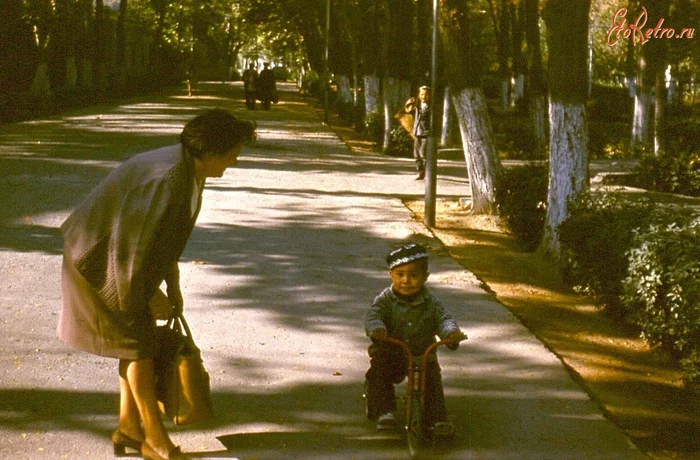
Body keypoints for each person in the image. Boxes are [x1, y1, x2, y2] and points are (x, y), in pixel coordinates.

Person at [58, 109, 256, 460]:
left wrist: (172, 284)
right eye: (233, 151)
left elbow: (164, 240)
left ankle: (130, 429)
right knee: (137, 346)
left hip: (123, 261)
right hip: (99, 261)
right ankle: (155, 439)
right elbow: (132, 245)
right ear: (210, 150)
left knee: (136, 341)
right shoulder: (167, 178)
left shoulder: (191, 172)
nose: (236, 159)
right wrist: (150, 293)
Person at [364, 243, 467, 436]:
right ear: (391, 275)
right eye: (400, 274)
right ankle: (384, 412)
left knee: (432, 381)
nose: (406, 280)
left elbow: (444, 319)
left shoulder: (431, 302)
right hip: (392, 351)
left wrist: (451, 334)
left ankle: (437, 419)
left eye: (413, 275)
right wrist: (377, 329)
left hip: (421, 353)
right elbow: (373, 315)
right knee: (380, 371)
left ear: (425, 277)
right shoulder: (385, 299)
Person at [404, 86, 431, 180]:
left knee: (423, 154)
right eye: (422, 94)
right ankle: (420, 173)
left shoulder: (431, 107)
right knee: (416, 155)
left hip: (426, 133)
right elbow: (408, 111)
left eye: (426, 94)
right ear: (419, 95)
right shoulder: (417, 106)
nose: (424, 96)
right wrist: (408, 103)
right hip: (417, 132)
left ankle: (429, 172)